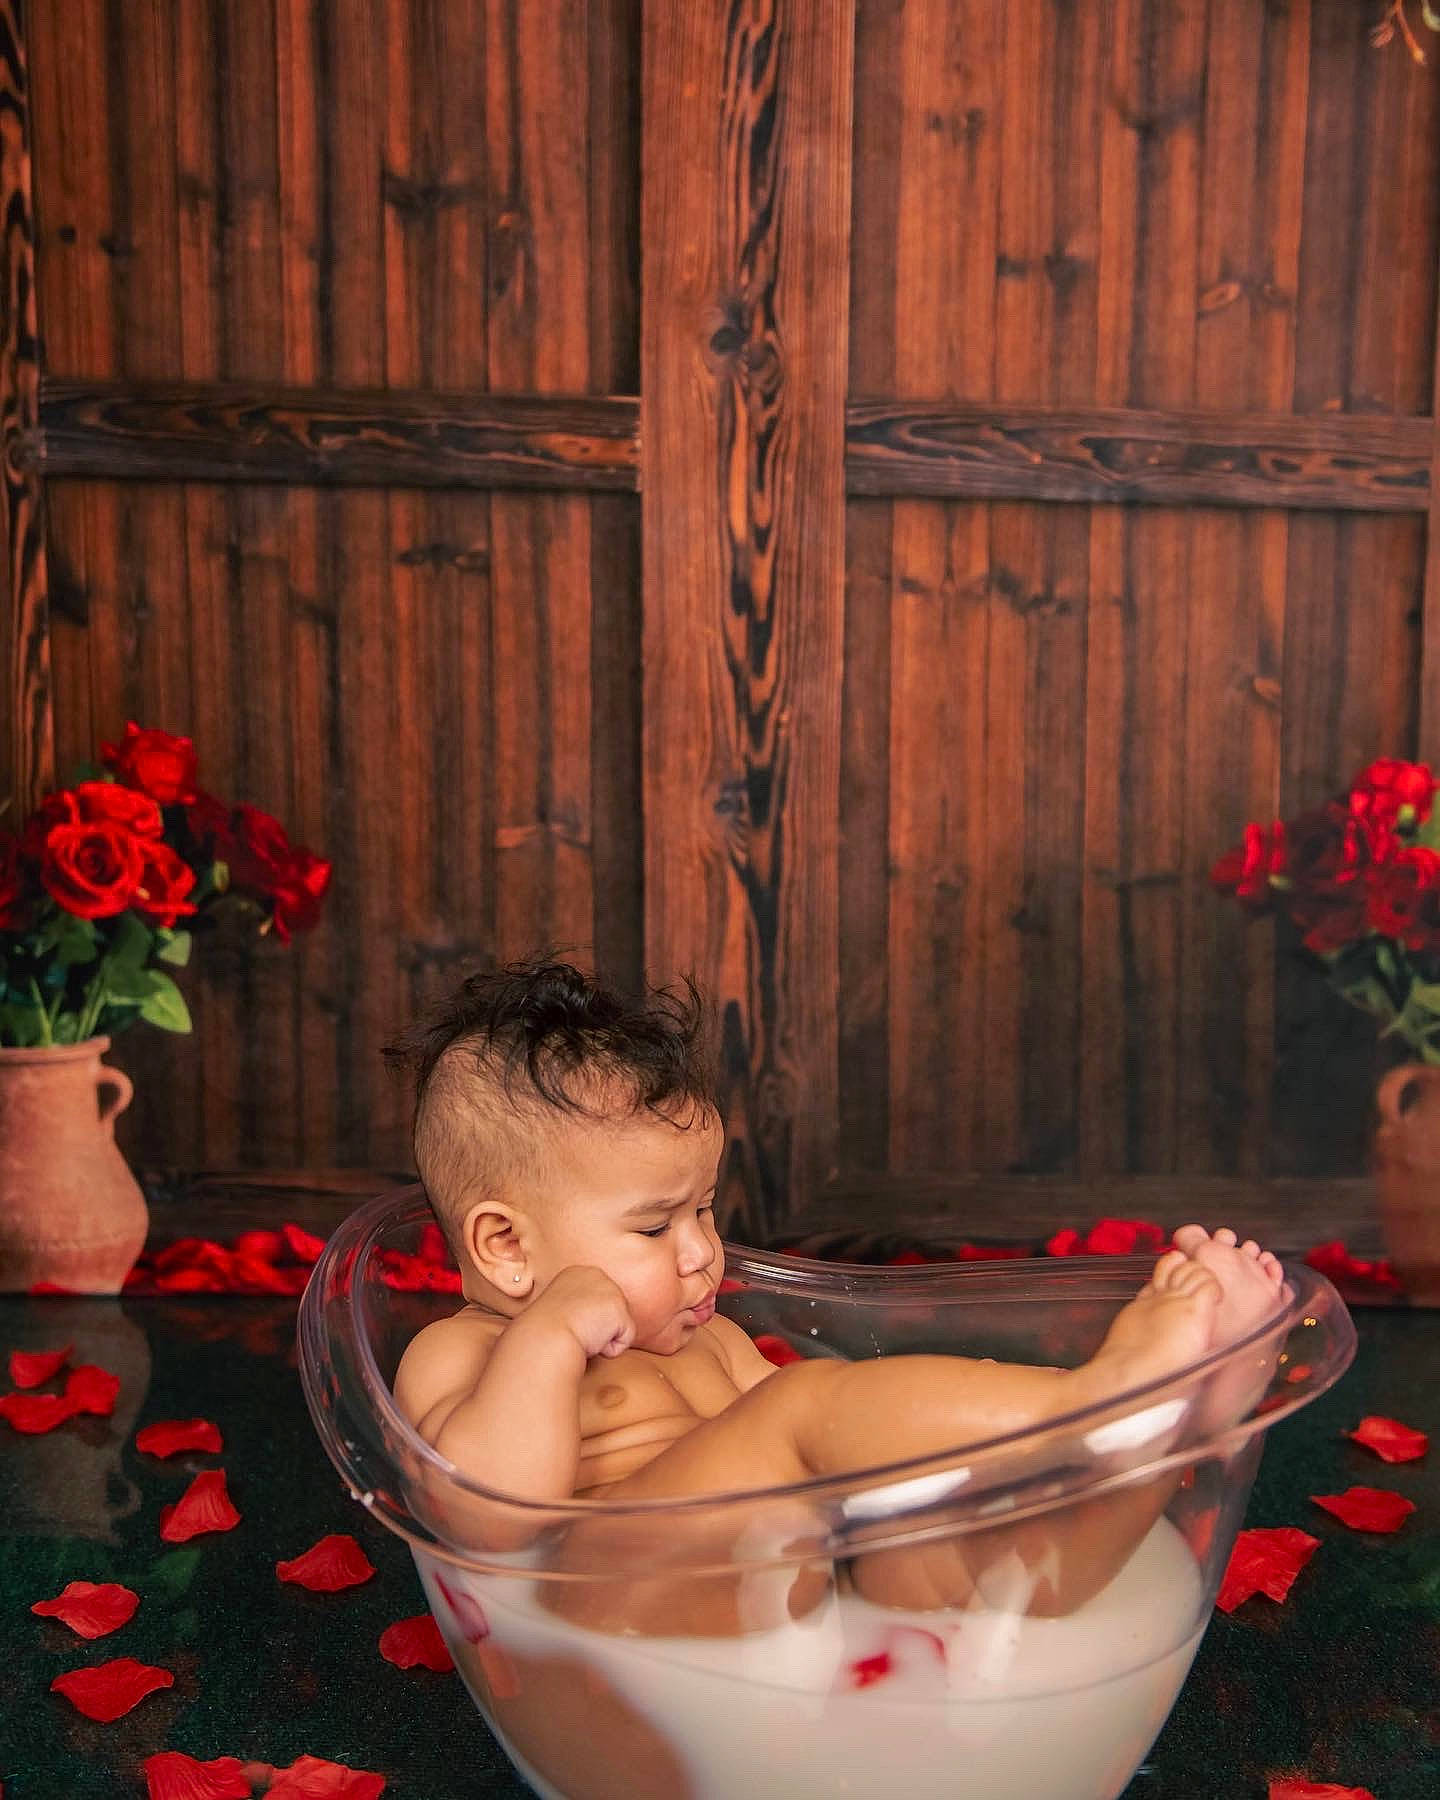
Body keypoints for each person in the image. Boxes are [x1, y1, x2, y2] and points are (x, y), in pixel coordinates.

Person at [385, 958, 1287, 1637]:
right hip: (601, 1594)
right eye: (656, 1228)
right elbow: (484, 1524)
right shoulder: (463, 1353)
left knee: (931, 1542)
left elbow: (807, 1471)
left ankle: (1167, 1436)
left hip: (770, 1574)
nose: (704, 1251)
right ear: (506, 1247)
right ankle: (1097, 1401)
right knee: (799, 1404)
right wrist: (547, 1337)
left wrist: (903, 1497)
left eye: (704, 1209)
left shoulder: (704, 1344)